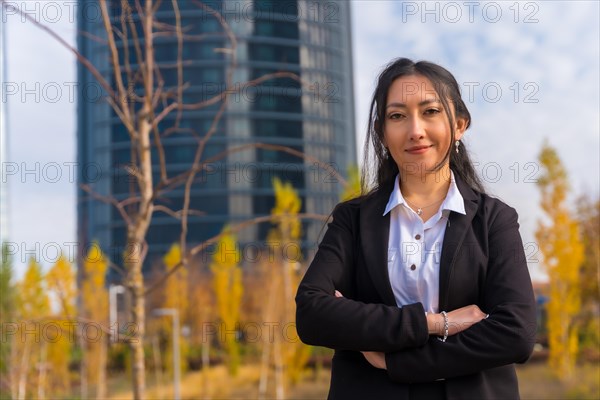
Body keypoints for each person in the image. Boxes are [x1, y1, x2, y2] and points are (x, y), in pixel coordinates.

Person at [295, 58, 537, 399]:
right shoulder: (353, 219)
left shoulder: (494, 219)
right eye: (397, 116)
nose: (415, 130)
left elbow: (516, 333)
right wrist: (436, 323)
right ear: (382, 133)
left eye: (431, 111)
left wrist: (398, 363)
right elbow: (312, 315)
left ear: (460, 125)